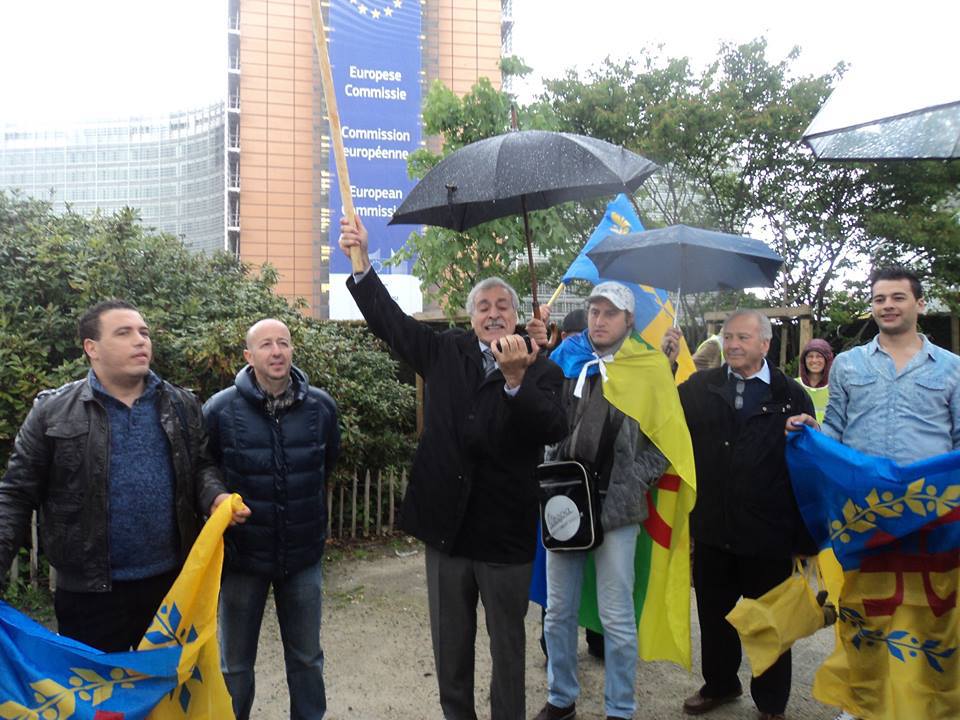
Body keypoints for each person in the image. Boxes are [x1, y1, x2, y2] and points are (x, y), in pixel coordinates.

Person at [339, 216, 566, 720]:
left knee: (508, 649)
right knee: (450, 648)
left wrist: (516, 381)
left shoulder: (543, 369)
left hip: (505, 537)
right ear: (471, 316)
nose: (493, 313)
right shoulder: (444, 351)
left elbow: (553, 426)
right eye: (483, 306)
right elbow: (390, 322)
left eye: (502, 306)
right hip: (447, 529)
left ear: (516, 316)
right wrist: (362, 262)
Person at [0, 299, 245, 653]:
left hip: (171, 588)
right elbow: (16, 494)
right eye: (124, 333)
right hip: (90, 595)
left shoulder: (180, 404)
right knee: (98, 688)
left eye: (144, 332)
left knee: (167, 686)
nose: (140, 340)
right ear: (92, 348)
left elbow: (201, 467)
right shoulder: (52, 411)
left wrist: (215, 497)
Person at [787, 267, 960, 720]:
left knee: (931, 612)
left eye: (898, 297)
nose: (887, 305)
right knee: (864, 610)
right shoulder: (849, 364)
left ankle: (927, 704)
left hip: (931, 514)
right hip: (865, 512)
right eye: (880, 298)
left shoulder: (952, 368)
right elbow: (836, 432)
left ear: (919, 304)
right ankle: (860, 704)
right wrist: (811, 434)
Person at [662, 310, 815, 720]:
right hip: (713, 526)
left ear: (765, 343)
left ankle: (771, 702)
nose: (732, 344)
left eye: (742, 338)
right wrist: (667, 364)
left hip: (769, 532)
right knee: (715, 616)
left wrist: (810, 431)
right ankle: (720, 685)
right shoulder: (700, 387)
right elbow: (663, 414)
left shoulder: (790, 394)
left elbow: (809, 457)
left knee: (770, 620)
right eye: (728, 337)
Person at [535, 282, 669, 720]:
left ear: (629, 320)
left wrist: (635, 480)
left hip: (617, 507)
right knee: (558, 613)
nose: (599, 319)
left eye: (610, 312)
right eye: (594, 311)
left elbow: (666, 441)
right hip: (564, 500)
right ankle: (561, 699)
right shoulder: (565, 359)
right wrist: (549, 464)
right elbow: (539, 417)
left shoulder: (648, 369)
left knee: (617, 618)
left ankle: (620, 709)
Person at [203, 318, 340, 720]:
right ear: (249, 355)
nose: (277, 351)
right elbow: (204, 466)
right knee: (235, 664)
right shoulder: (220, 409)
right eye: (266, 345)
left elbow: (327, 463)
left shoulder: (321, 407)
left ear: (293, 350)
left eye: (283, 343)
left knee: (307, 658)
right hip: (242, 556)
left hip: (302, 556)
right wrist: (217, 496)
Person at [796, 338, 833, 424]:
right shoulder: (793, 385)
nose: (814, 360)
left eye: (819, 356)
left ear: (827, 360)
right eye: (810, 356)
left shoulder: (835, 388)